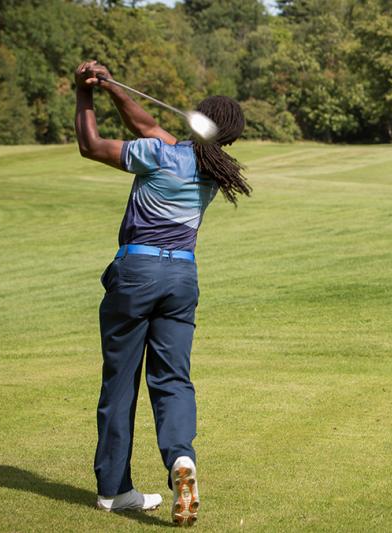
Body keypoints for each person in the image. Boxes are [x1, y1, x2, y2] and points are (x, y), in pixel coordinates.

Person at [74, 60, 250, 526]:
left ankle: (114, 491)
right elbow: (148, 123)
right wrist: (112, 86)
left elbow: (91, 145)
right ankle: (181, 461)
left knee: (120, 383)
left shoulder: (160, 156)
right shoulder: (214, 169)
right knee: (173, 379)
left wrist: (85, 93)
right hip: (182, 280)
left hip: (136, 274)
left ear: (198, 119)